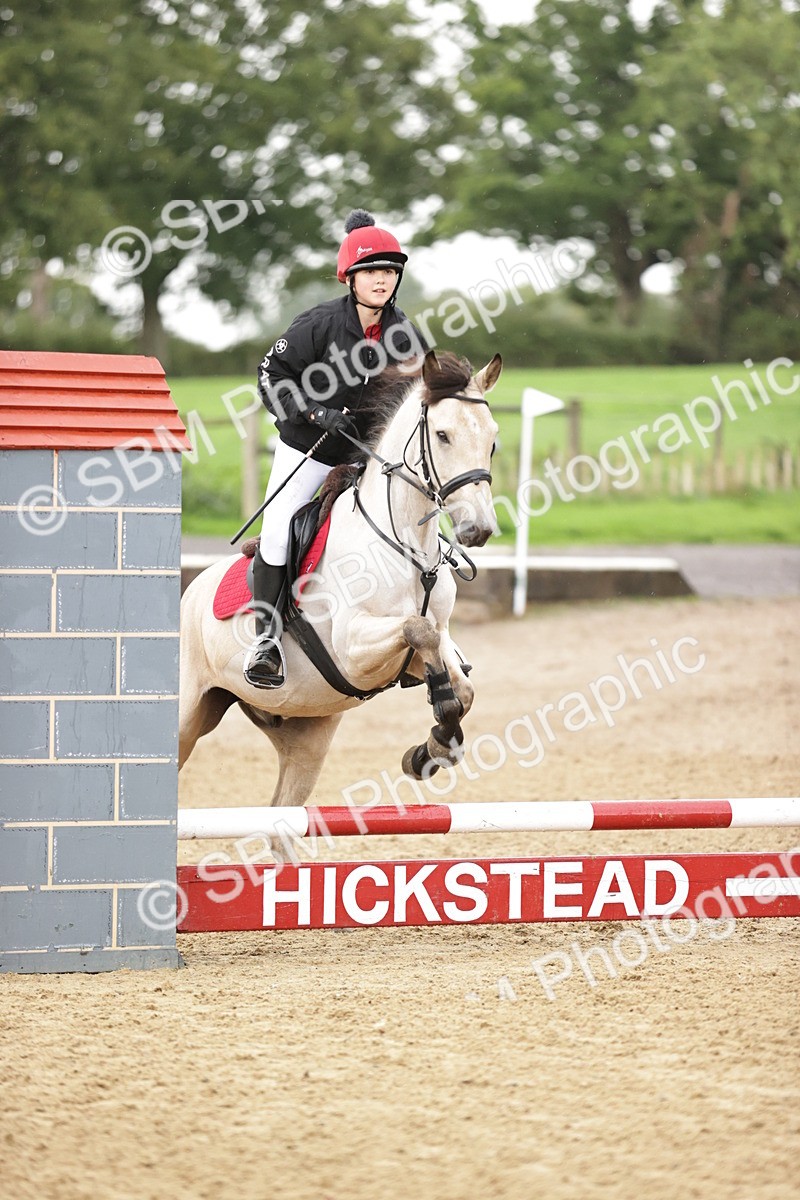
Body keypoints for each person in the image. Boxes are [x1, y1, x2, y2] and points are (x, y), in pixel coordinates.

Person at [244, 209, 427, 688]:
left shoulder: (404, 334)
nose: (381, 280)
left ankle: (407, 638)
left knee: (415, 523)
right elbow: (270, 375)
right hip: (311, 447)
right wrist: (309, 411)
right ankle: (265, 642)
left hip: (368, 456)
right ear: (351, 277)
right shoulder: (320, 323)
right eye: (371, 271)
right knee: (281, 527)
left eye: (389, 272)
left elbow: (419, 397)